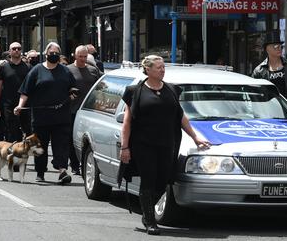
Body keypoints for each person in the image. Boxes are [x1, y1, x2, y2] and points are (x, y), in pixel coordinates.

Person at [120, 55, 210, 235]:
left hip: (167, 143)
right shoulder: (134, 91)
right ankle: (150, 220)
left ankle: (146, 211)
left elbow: (181, 116)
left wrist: (195, 137)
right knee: (148, 179)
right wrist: (125, 147)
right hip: (143, 144)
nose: (163, 70)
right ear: (148, 70)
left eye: (163, 67)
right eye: (159, 67)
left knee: (163, 181)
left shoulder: (171, 90)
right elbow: (127, 121)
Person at [16, 42, 76, 184]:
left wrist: (72, 95)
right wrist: (19, 106)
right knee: (39, 146)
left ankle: (62, 170)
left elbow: (73, 88)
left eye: (56, 53)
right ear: (45, 54)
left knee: (61, 144)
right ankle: (40, 172)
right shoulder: (36, 70)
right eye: (51, 53)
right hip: (40, 117)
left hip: (61, 116)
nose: (54, 55)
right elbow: (25, 91)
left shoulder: (65, 71)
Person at [251, 30, 287, 114]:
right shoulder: (259, 71)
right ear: (267, 49)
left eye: (281, 46)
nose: (279, 49)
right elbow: (254, 95)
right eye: (275, 46)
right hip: (268, 113)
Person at [67, 45, 101, 175]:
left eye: (85, 57)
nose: (82, 59)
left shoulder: (93, 70)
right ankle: (75, 165)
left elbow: (100, 88)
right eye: (80, 56)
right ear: (75, 56)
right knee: (72, 139)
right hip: (73, 111)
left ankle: (84, 163)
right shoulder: (68, 70)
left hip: (90, 112)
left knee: (88, 140)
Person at [0, 42, 31, 142]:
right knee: (11, 132)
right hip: (8, 105)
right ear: (9, 51)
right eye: (14, 49)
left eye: (19, 48)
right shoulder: (3, 68)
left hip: (26, 105)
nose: (16, 50)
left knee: (28, 131)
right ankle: (12, 154)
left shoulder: (28, 67)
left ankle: (22, 154)